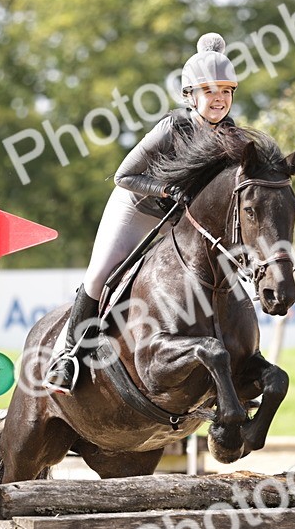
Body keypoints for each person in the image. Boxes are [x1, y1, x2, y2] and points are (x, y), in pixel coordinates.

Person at [43, 32, 241, 394]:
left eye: (226, 91)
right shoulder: (172, 128)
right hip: (137, 207)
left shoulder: (230, 134)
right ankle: (67, 358)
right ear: (191, 95)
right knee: (101, 274)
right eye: (210, 91)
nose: (219, 99)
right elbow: (124, 176)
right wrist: (166, 189)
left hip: (179, 220)